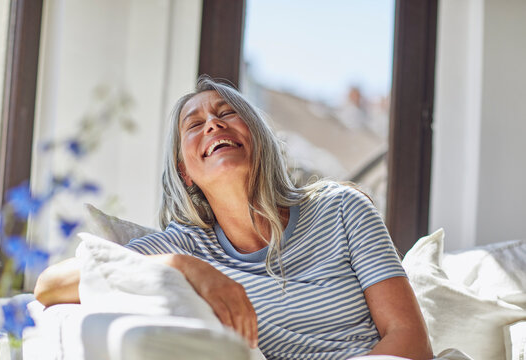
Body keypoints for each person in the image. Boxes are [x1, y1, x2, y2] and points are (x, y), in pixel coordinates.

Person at [35, 76, 433, 359]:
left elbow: (410, 339)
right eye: (194, 124)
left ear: (257, 138)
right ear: (186, 172)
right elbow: (49, 286)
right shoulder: (182, 245)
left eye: (226, 113)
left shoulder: (343, 208)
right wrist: (185, 267)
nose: (212, 123)